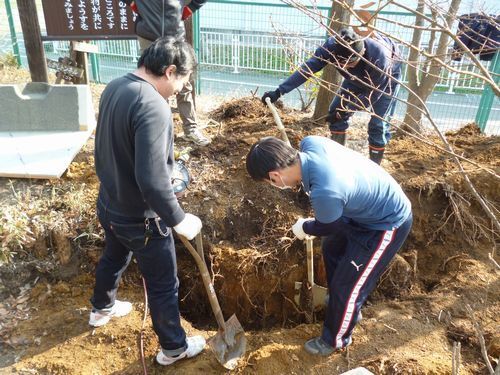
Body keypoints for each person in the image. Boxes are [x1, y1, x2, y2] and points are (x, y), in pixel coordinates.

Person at [89, 37, 206, 366]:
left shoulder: (114, 86)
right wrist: (178, 218)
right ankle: (174, 348)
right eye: (182, 81)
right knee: (163, 283)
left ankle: (101, 308)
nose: (181, 89)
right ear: (170, 71)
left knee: (113, 256)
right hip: (142, 218)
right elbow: (152, 179)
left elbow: (114, 148)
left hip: (110, 203)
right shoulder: (153, 106)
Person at [246, 136, 412, 355]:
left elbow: (328, 226)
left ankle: (335, 339)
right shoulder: (310, 143)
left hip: (386, 223)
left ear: (274, 175)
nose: (273, 186)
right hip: (359, 208)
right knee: (331, 248)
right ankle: (341, 304)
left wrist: (305, 227)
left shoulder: (325, 191)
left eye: (269, 182)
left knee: (348, 286)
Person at [262, 28, 402, 164]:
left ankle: (374, 168)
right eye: (343, 65)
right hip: (355, 80)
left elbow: (372, 96)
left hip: (386, 80)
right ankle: (338, 161)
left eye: (352, 63)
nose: (348, 68)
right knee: (335, 112)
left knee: (377, 124)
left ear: (362, 52)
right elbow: (307, 69)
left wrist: (346, 109)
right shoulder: (331, 48)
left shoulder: (380, 57)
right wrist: (279, 91)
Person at [130, 0, 211, 146]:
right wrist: (135, 5)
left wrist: (189, 9)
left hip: (175, 34)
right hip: (148, 36)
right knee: (153, 85)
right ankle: (160, 131)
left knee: (183, 83)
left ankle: (190, 129)